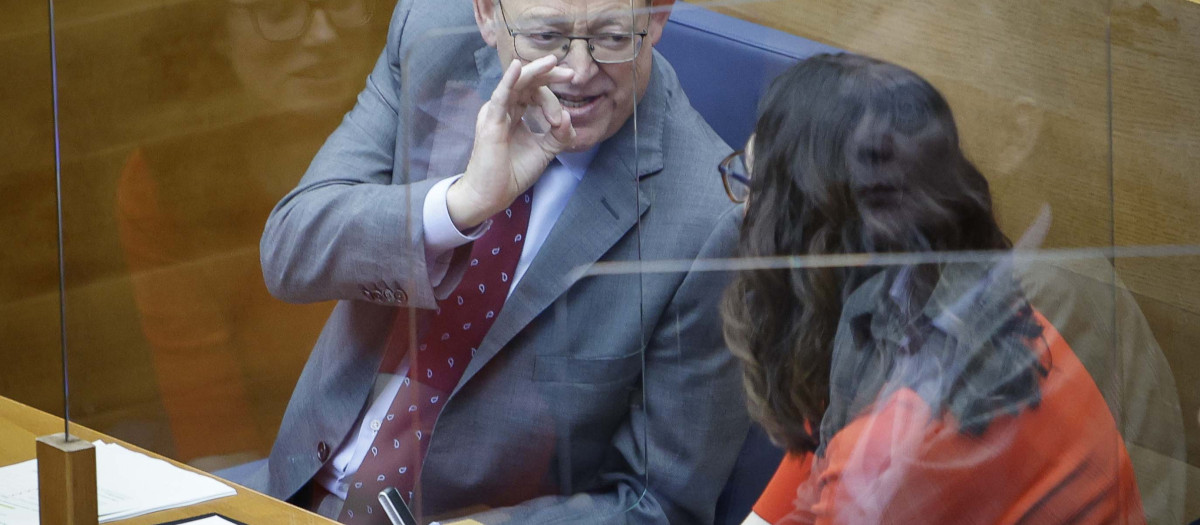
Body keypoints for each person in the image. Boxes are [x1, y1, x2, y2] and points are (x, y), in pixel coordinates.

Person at [255, 0, 749, 522]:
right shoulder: (431, 40)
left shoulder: (709, 223)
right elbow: (291, 251)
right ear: (488, 15)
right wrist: (459, 206)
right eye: (546, 36)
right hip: (289, 489)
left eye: (611, 37)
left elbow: (661, 505)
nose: (577, 71)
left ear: (656, 16)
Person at [721, 53, 1170, 524]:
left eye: (752, 185)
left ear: (800, 236)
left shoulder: (890, 450)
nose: (743, 212)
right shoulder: (973, 318)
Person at [115, 0, 388, 469]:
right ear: (214, 28)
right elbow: (214, 432)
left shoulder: (434, 140)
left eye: (343, 3)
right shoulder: (160, 182)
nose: (322, 35)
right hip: (263, 477)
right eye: (280, 11)